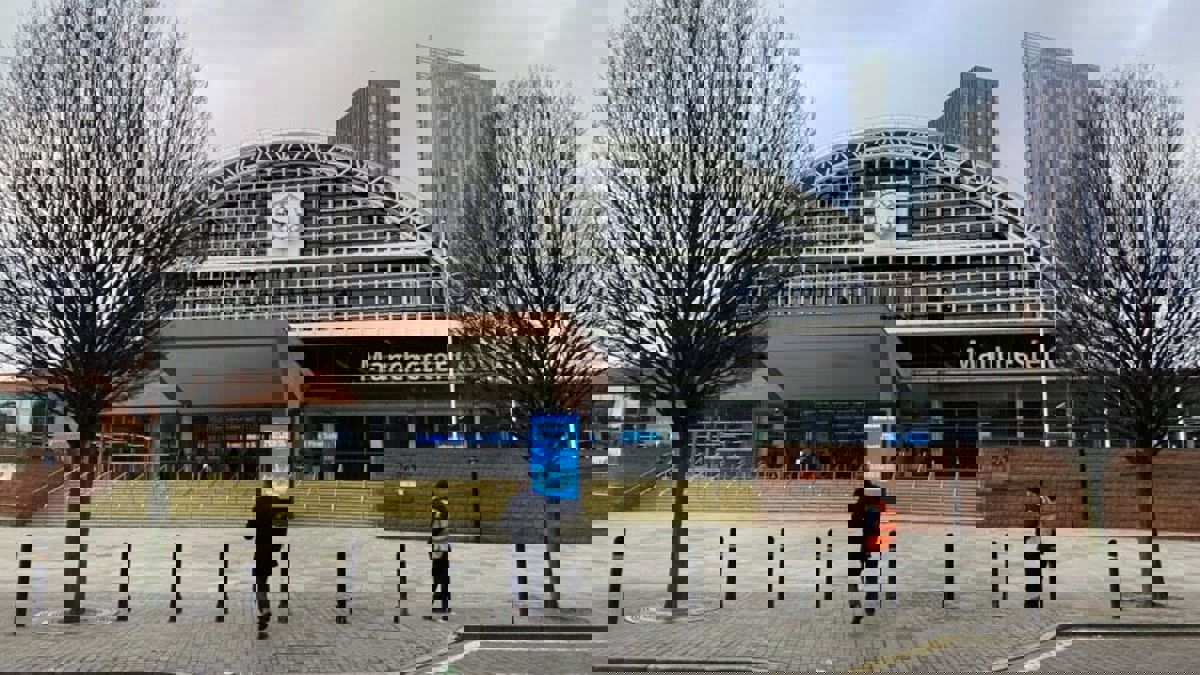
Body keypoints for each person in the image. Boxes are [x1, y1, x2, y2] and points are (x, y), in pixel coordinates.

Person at [244, 478, 293, 637]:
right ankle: (281, 602)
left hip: (261, 552)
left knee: (260, 582)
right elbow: (282, 534)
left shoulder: (259, 507)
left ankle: (264, 608)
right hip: (272, 552)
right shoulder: (280, 508)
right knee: (269, 579)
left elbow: (247, 535)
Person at [430, 480, 452, 617]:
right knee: (440, 574)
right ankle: (441, 603)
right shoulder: (437, 505)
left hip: (440, 544)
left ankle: (441, 603)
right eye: (443, 489)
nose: (445, 492)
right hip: (439, 544)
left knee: (441, 574)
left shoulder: (440, 505)